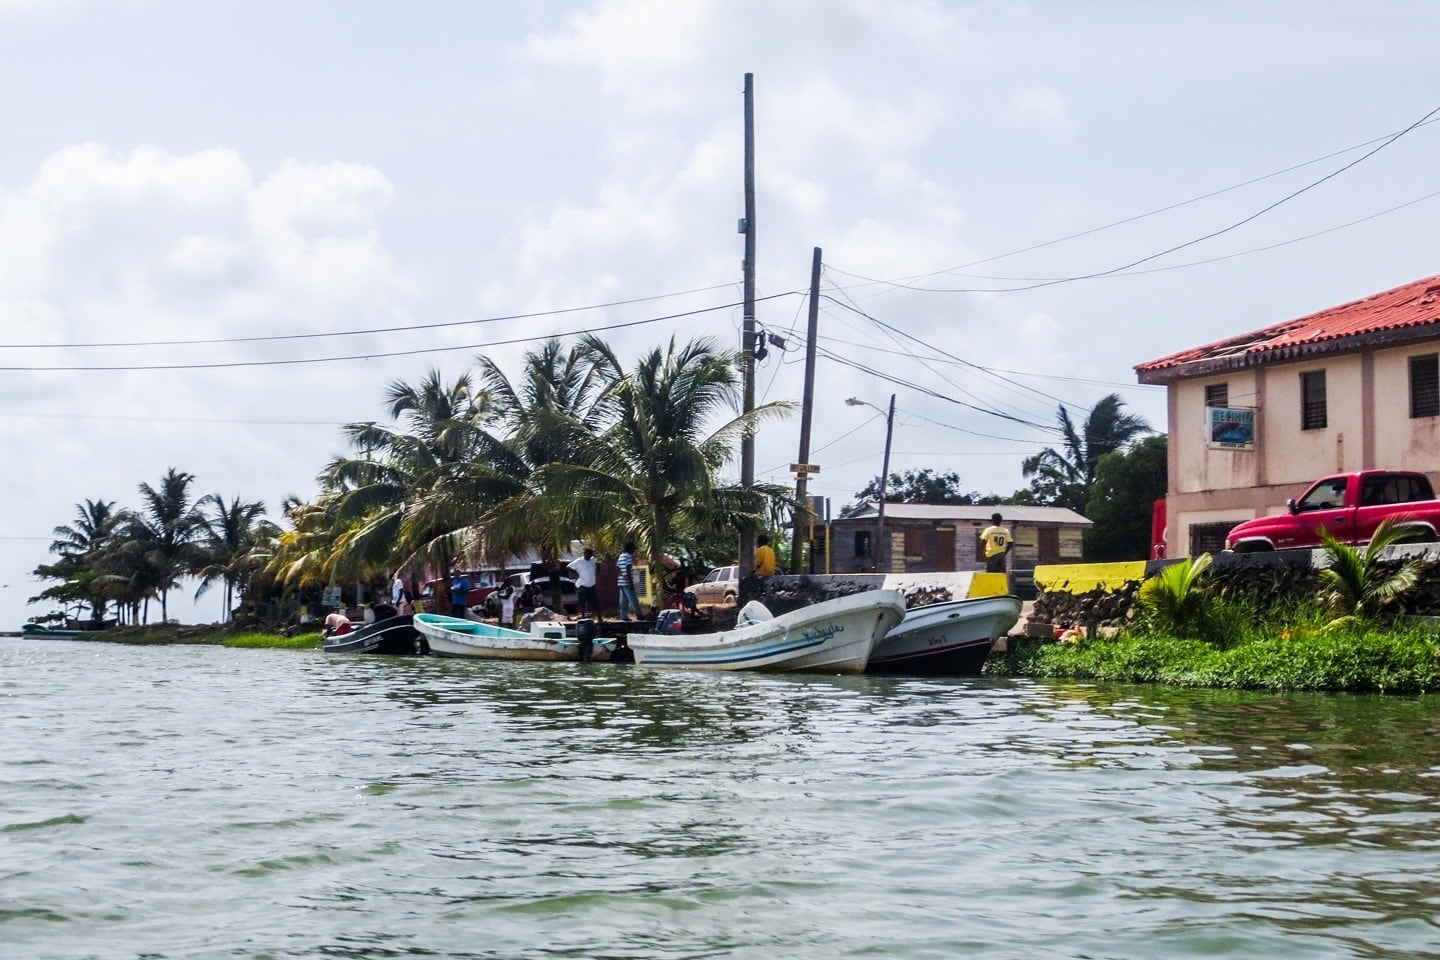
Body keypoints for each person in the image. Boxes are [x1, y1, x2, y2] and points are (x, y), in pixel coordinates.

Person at [567, 547, 599, 618]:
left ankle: (599, 617)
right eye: (589, 554)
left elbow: (598, 565)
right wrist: (577, 573)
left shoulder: (593, 560)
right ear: (585, 554)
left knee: (595, 601)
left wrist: (596, 559)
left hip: (592, 585)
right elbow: (568, 567)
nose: (590, 555)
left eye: (591, 554)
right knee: (582, 602)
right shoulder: (579, 561)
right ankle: (583, 616)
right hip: (582, 585)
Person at [616, 541, 639, 621]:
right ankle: (639, 615)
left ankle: (624, 616)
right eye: (633, 549)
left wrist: (622, 574)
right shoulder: (628, 556)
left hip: (620, 581)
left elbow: (618, 567)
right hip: (627, 581)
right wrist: (631, 582)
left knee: (623, 600)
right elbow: (628, 568)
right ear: (629, 548)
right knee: (633, 599)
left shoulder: (621, 556)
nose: (633, 551)